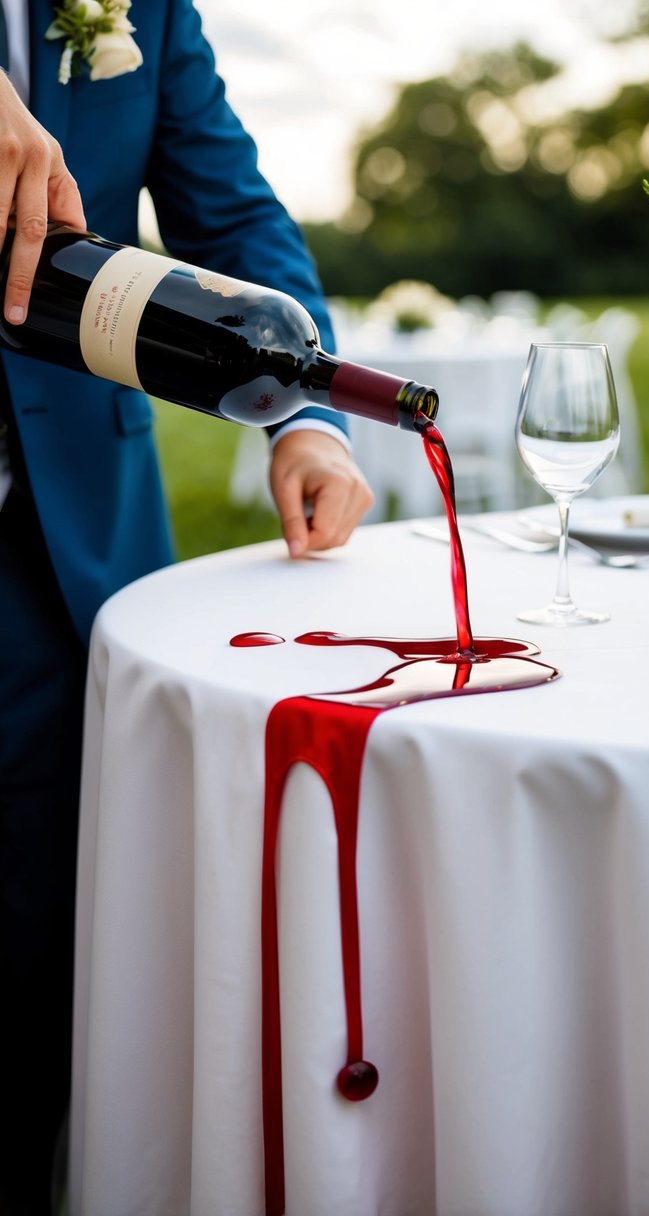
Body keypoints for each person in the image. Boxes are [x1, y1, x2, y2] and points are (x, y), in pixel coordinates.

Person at [0, 2, 373, 1212]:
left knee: (49, 967)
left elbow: (230, 209)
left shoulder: (142, 4)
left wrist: (307, 417)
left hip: (70, 563)